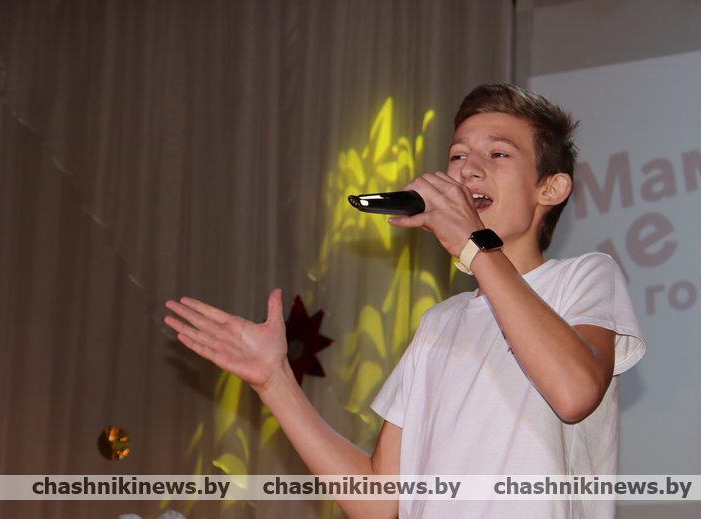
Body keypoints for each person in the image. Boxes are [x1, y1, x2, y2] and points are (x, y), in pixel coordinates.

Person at [164, 83, 645, 518]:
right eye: (458, 156)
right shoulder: (439, 324)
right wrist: (275, 382)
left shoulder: (582, 277)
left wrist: (474, 245)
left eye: (498, 154)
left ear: (551, 188)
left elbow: (574, 393)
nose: (469, 169)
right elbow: (377, 500)